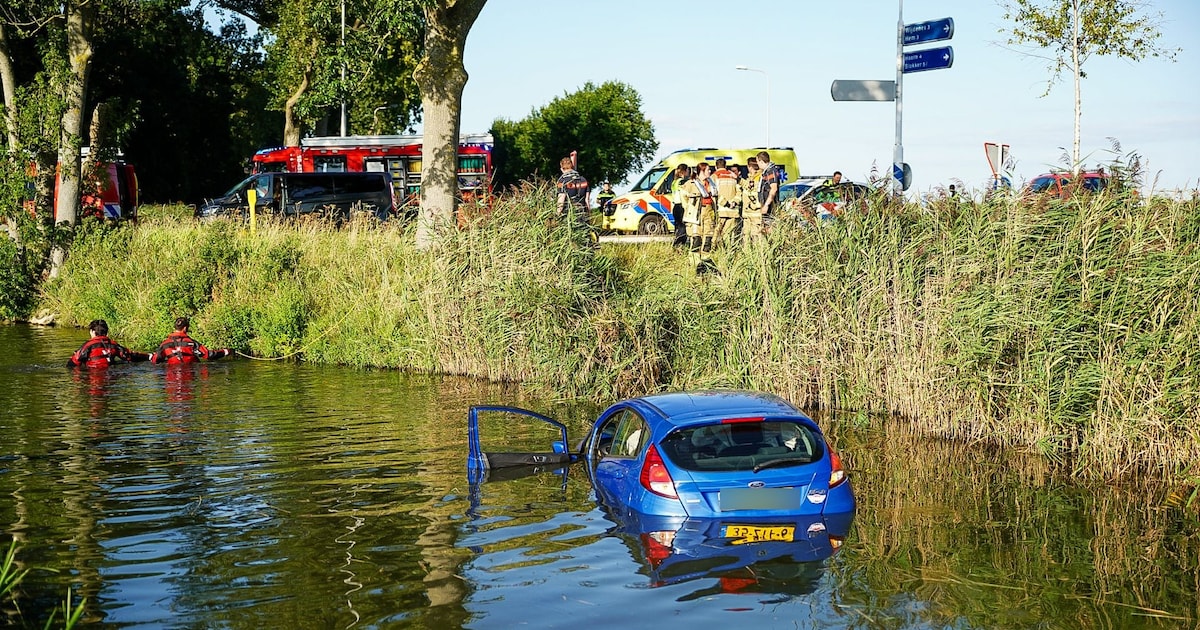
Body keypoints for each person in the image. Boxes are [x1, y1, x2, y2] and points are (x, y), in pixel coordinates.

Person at [66, 319, 151, 368]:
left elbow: (74, 363)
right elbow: (130, 356)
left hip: (93, 374)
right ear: (106, 332)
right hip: (110, 375)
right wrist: (149, 356)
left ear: (92, 331)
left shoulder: (88, 345)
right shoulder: (113, 344)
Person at [150, 316, 233, 365]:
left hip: (173, 375)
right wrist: (226, 351)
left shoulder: (165, 344)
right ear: (186, 328)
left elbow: (155, 360)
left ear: (175, 328)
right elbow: (208, 355)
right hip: (190, 372)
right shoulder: (191, 343)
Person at [712, 158, 741, 248]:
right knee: (728, 233)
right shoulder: (732, 176)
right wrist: (734, 202)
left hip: (721, 210)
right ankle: (728, 251)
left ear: (716, 166)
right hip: (733, 210)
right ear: (725, 166)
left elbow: (715, 193)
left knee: (716, 231)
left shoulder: (714, 176)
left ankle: (713, 249)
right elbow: (739, 192)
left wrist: (725, 203)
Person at [555, 156, 590, 230]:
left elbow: (561, 201)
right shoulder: (583, 180)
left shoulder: (562, 181)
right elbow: (587, 201)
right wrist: (588, 216)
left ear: (562, 168)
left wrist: (557, 215)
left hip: (569, 214)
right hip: (581, 212)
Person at [740, 158, 765, 240]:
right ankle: (747, 253)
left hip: (755, 214)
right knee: (746, 236)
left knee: (756, 237)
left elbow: (753, 192)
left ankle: (757, 253)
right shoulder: (751, 178)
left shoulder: (759, 178)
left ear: (749, 167)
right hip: (747, 214)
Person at [755, 151, 782, 221]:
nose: (757, 164)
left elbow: (774, 189)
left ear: (761, 161)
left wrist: (766, 205)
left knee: (769, 227)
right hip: (765, 206)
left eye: (757, 161)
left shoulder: (771, 171)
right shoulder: (766, 172)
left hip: (770, 208)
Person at [671, 164, 691, 248]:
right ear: (685, 171)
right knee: (683, 228)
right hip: (681, 206)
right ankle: (679, 245)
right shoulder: (682, 182)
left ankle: (677, 246)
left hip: (675, 206)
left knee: (678, 227)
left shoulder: (674, 181)